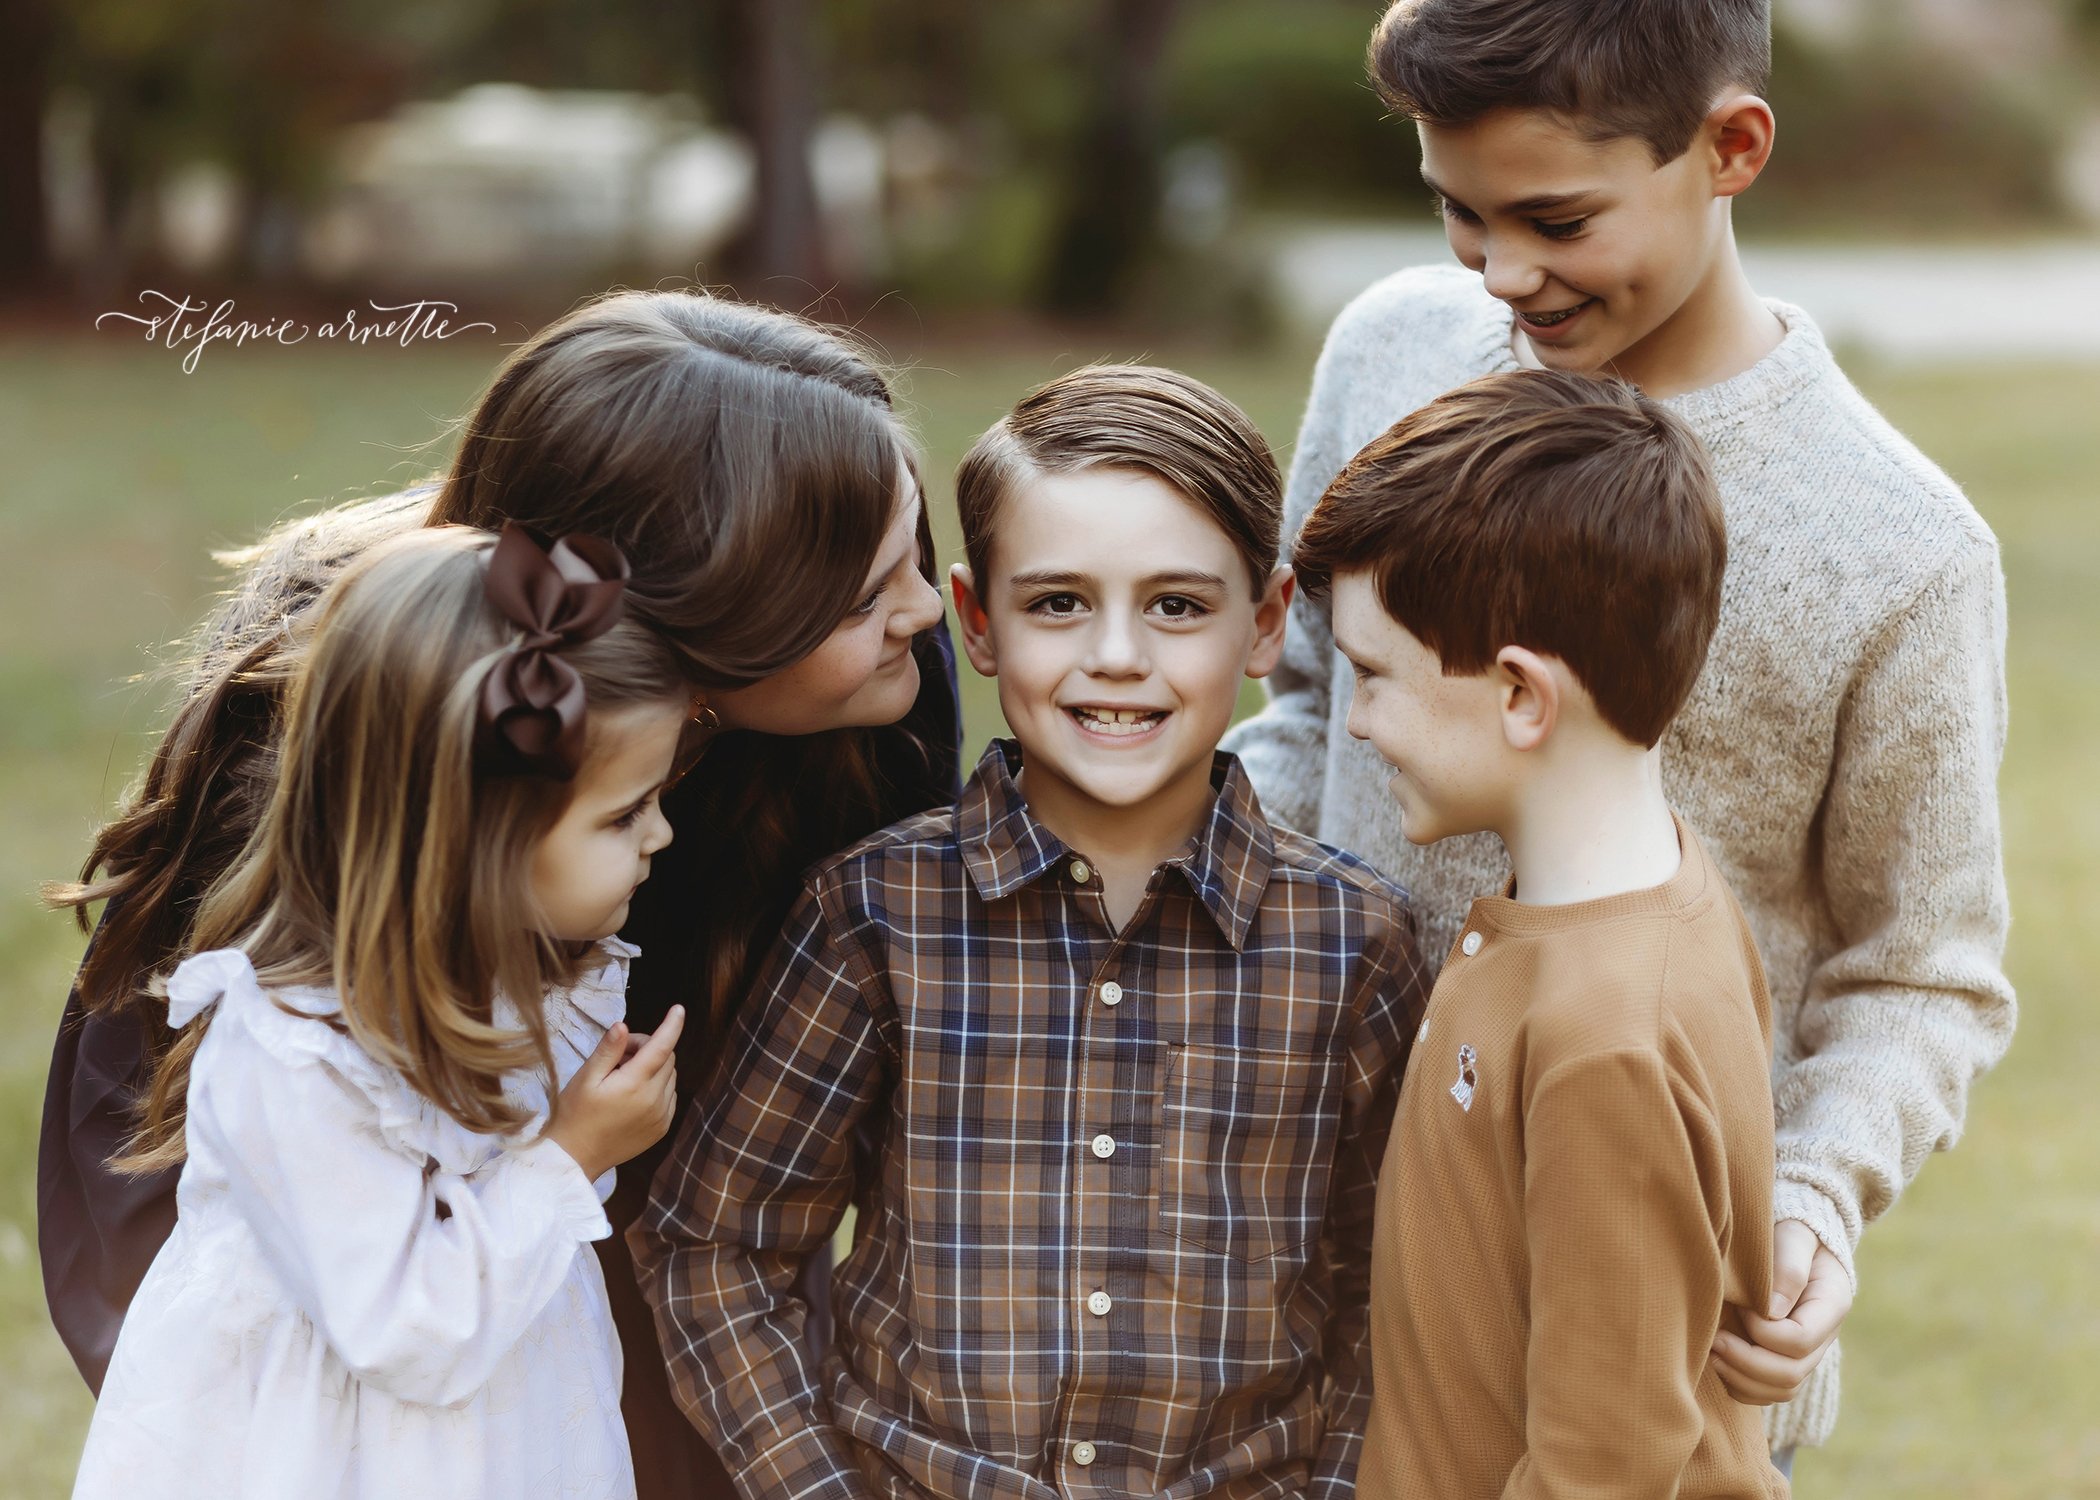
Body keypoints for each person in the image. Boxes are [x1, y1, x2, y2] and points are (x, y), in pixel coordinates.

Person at [1222, 0, 2015, 1463]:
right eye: (1459, 212)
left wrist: (1814, 1195)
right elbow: (1315, 708)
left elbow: (1927, 968)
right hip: (1310, 1284)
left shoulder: (1902, 551)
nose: (1504, 272)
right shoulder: (1393, 354)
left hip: (1640, 1349)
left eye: (1556, 218)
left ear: (1731, 147)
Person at [40, 290, 960, 1500]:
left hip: (672, 1286)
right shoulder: (350, 703)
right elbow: (132, 1155)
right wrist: (264, 1432)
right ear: (663, 626)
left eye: (912, 552)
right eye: (858, 598)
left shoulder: (877, 708)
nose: (926, 610)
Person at [634, 365, 1429, 1500]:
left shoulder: (1357, 947)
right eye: (1058, 603)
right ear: (977, 621)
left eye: (1178, 605)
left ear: (1263, 623)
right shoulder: (872, 916)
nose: (1116, 655)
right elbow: (715, 1242)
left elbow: (1388, 1296)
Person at [70, 524, 691, 1497]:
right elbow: (409, 1329)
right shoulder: (294, 1054)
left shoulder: (524, 982)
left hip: (504, 1439)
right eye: (623, 814)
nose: (661, 832)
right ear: (471, 836)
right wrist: (574, 1152)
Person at [1298, 368, 1784, 1497]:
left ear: (1521, 695)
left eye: (1372, 675)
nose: (1357, 721)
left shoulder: (1607, 1037)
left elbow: (1601, 1472)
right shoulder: (1620, 902)